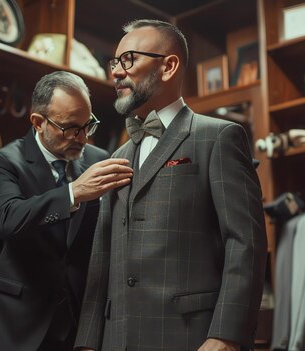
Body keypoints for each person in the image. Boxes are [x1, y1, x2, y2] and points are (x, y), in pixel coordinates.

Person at [74, 20, 267, 351]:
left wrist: (226, 336)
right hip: (117, 339)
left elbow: (245, 243)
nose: (117, 72)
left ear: (168, 66)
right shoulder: (116, 156)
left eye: (129, 59)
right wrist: (88, 342)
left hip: (190, 337)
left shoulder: (217, 137)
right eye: (115, 63)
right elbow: (102, 254)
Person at [0, 71, 133, 351]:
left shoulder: (100, 161)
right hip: (17, 323)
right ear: (38, 122)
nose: (83, 138)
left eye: (89, 125)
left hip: (80, 321)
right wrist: (73, 193)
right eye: (71, 128)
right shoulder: (5, 162)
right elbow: (7, 219)